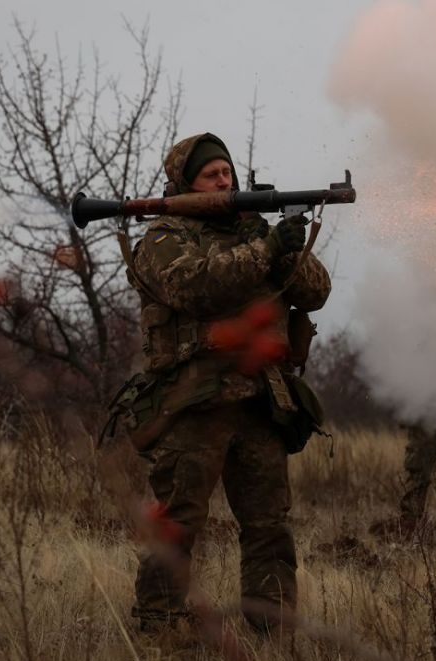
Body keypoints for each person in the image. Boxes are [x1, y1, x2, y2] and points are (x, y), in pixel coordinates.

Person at [117, 132, 331, 633]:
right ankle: (159, 627)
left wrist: (278, 244)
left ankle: (271, 631)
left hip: (260, 403)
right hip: (195, 404)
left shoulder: (252, 232)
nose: (224, 179)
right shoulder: (164, 237)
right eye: (211, 173)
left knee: (269, 528)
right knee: (178, 522)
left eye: (227, 172)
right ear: (186, 182)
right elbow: (195, 286)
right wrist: (264, 248)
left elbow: (316, 292)